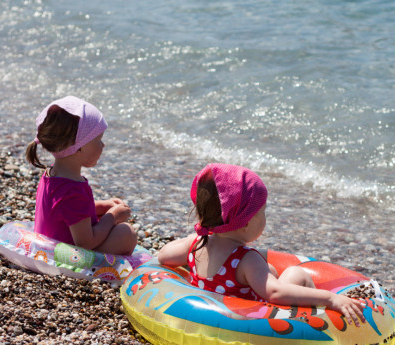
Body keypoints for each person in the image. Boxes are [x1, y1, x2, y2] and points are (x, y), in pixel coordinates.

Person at [157, 163, 364, 324]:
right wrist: (329, 298)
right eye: (262, 212)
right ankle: (316, 320)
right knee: (296, 273)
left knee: (269, 270)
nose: (265, 217)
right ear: (245, 222)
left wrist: (192, 237)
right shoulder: (246, 260)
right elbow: (275, 293)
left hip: (212, 313)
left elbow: (163, 256)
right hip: (251, 321)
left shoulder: (196, 244)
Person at [25, 96, 137, 255]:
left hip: (55, 240)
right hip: (66, 254)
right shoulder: (72, 190)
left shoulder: (52, 174)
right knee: (126, 234)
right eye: (98, 140)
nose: (103, 145)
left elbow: (66, 211)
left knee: (109, 223)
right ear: (79, 147)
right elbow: (85, 242)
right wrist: (112, 216)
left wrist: (102, 206)